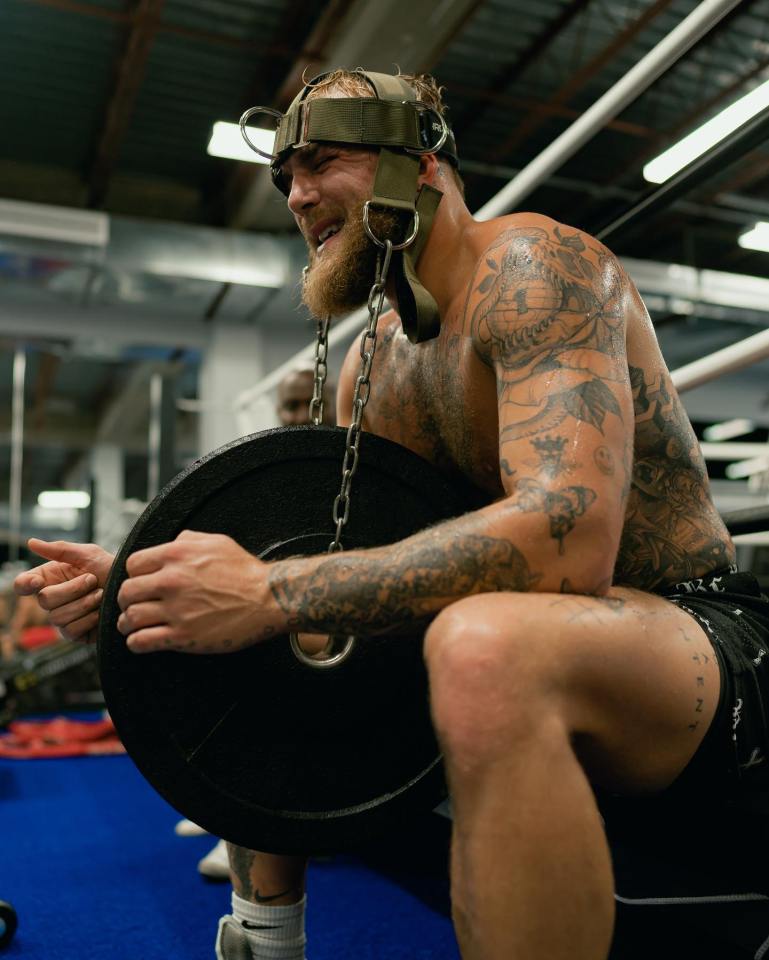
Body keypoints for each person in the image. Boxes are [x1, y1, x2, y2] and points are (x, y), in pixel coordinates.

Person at [13, 67, 769, 960]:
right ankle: (264, 939)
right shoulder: (375, 359)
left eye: (323, 162)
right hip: (534, 635)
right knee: (251, 597)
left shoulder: (531, 268)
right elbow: (329, 567)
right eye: (284, 177)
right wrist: (152, 581)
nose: (296, 196)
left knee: (476, 640)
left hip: (700, 645)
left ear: (420, 165)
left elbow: (570, 541)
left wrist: (275, 590)